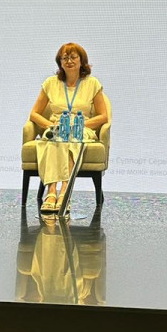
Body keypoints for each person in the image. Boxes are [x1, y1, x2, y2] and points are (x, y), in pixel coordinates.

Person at [28, 43, 108, 215]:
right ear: (60, 62)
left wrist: (79, 125)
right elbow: (34, 114)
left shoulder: (92, 83)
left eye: (73, 57)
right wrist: (50, 126)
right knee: (55, 139)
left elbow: (103, 116)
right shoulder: (50, 83)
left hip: (82, 127)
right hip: (57, 126)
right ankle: (51, 192)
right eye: (65, 58)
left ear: (81, 60)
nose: (69, 61)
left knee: (71, 138)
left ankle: (64, 192)